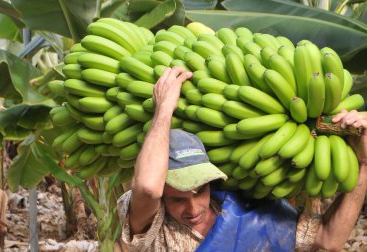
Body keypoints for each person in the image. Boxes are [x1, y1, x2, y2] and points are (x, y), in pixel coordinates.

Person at [116, 67, 367, 252]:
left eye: (199, 191)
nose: (193, 209)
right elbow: (148, 187)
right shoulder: (153, 227)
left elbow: (329, 238)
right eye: (177, 198)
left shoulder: (250, 211)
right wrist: (163, 110)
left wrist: (364, 163)